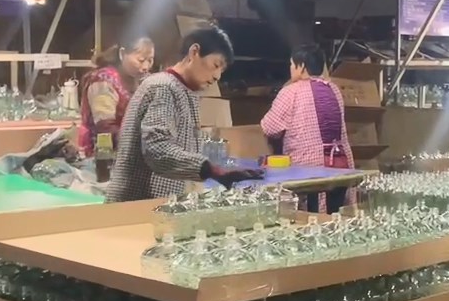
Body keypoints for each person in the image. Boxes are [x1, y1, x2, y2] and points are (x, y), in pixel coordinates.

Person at [106, 26, 263, 203]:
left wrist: (222, 166)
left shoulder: (185, 90)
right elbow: (157, 148)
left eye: (222, 70)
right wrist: (211, 170)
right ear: (194, 52)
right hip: (140, 204)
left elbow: (184, 146)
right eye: (216, 65)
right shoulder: (163, 87)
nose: (217, 76)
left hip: (162, 203)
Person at [260, 45, 354, 213]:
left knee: (312, 216)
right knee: (335, 216)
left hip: (308, 169)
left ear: (301, 66)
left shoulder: (291, 92)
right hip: (340, 165)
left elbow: (270, 128)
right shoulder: (333, 89)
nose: (290, 68)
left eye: (292, 64)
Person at [79, 38, 155, 156]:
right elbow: (104, 127)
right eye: (141, 60)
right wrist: (141, 144)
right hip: (102, 155)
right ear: (122, 54)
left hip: (129, 152)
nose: (146, 66)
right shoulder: (103, 80)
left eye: (150, 60)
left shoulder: (141, 80)